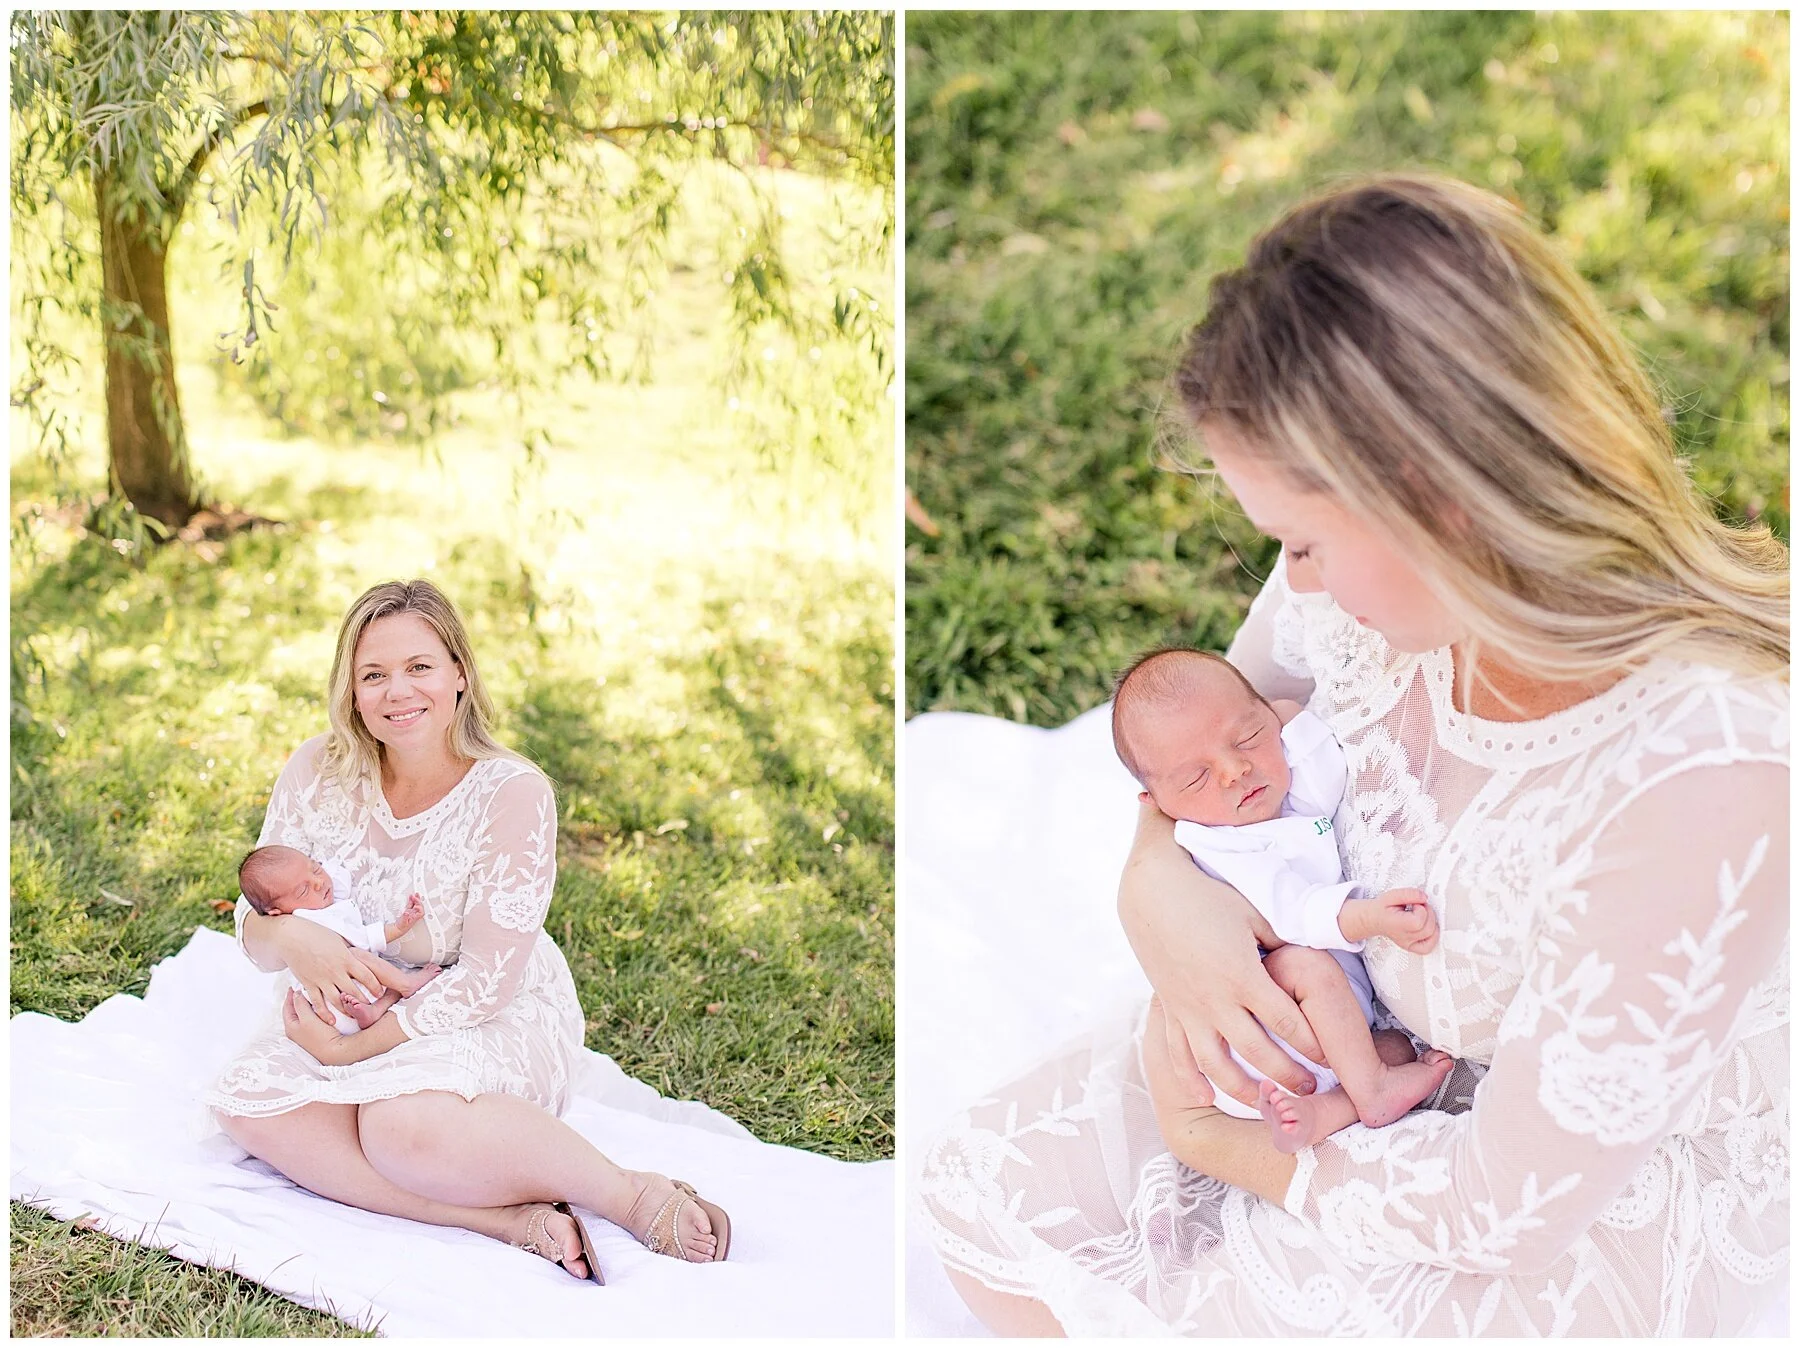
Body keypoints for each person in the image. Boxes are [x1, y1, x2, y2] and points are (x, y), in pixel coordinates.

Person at [919, 174, 1788, 1335]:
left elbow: (1515, 1199)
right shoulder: (1371, 599)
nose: (1296, 581)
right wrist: (1158, 892)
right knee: (985, 1185)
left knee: (1227, 1307)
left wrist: (1228, 1150)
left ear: (1444, 502)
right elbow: (1231, 733)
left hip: (1575, 1175)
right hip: (1364, 1034)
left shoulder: (1701, 770)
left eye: (1309, 543)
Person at [204, 579, 731, 1284]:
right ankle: (505, 1220)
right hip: (351, 1006)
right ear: (350, 689)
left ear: (459, 672)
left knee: (400, 1129)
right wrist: (297, 941)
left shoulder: (513, 793)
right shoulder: (316, 770)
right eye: (374, 674)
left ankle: (629, 1192)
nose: (398, 692)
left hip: (484, 1009)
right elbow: (254, 918)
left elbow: (485, 982)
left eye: (420, 667)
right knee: (248, 1106)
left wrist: (352, 1050)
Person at [1109, 646, 1450, 1150]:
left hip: (1328, 1033)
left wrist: (1284, 719)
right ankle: (1371, 1091)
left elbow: (1326, 770)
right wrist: (1369, 917)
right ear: (1155, 806)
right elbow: (1293, 913)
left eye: (1247, 737)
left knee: (1398, 1048)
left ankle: (1324, 1112)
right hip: (1256, 1030)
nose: (1233, 770)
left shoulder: (1280, 797)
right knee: (1305, 966)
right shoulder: (1216, 844)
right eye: (1195, 777)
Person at [236, 844, 439, 1032]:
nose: (319, 882)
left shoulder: (311, 905)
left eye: (315, 869)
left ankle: (375, 1011)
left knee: (385, 980)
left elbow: (333, 877)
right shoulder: (312, 919)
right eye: (304, 890)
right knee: (359, 955)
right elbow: (365, 939)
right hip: (335, 998)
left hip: (343, 1009)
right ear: (276, 912)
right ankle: (406, 984)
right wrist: (399, 927)